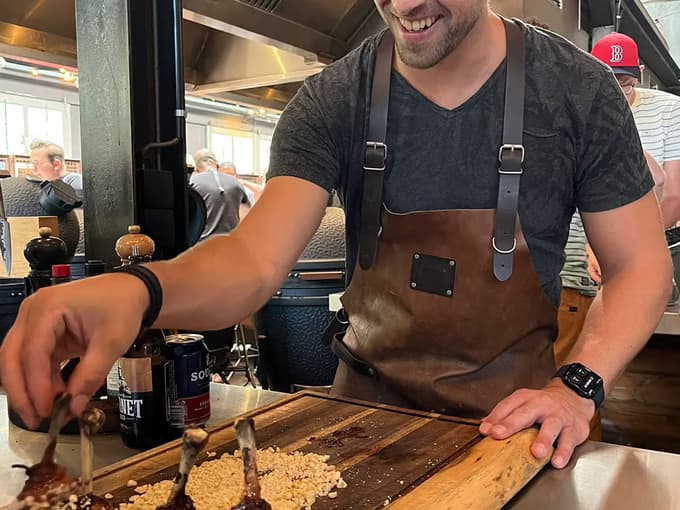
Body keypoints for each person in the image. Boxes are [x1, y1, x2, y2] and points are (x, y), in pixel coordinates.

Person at [0, 1, 671, 473]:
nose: (405, 4)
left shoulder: (577, 92)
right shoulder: (333, 100)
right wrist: (140, 290)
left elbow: (640, 265)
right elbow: (252, 259)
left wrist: (579, 385)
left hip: (517, 427)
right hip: (361, 421)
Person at [592, 32, 680, 227]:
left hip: (645, 229)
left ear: (639, 73)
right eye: (605, 83)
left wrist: (639, 245)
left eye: (625, 85)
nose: (614, 94)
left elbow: (673, 195)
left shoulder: (671, 109)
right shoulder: (578, 108)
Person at [190, 149, 251, 240]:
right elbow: (247, 213)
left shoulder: (193, 183)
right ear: (217, 165)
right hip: (231, 244)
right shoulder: (236, 183)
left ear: (196, 168)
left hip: (204, 246)